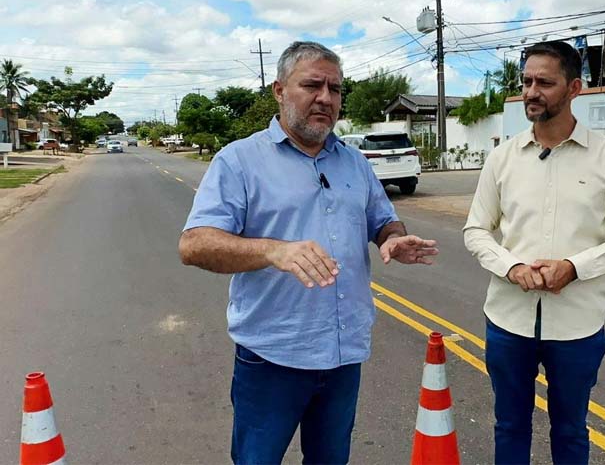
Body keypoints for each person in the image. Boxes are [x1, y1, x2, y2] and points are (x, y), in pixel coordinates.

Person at [179, 41, 438, 465]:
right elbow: (194, 244)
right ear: (280, 90)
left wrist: (392, 237)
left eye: (335, 89)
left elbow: (382, 219)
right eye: (312, 85)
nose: (325, 98)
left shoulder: (354, 162)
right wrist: (272, 251)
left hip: (342, 353)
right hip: (272, 356)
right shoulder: (239, 161)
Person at [463, 40, 605, 465]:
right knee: (510, 426)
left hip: (577, 326)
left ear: (575, 88)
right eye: (526, 81)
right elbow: (476, 230)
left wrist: (574, 267)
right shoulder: (502, 158)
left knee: (570, 430)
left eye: (545, 82)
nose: (531, 92)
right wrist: (510, 267)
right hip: (508, 320)